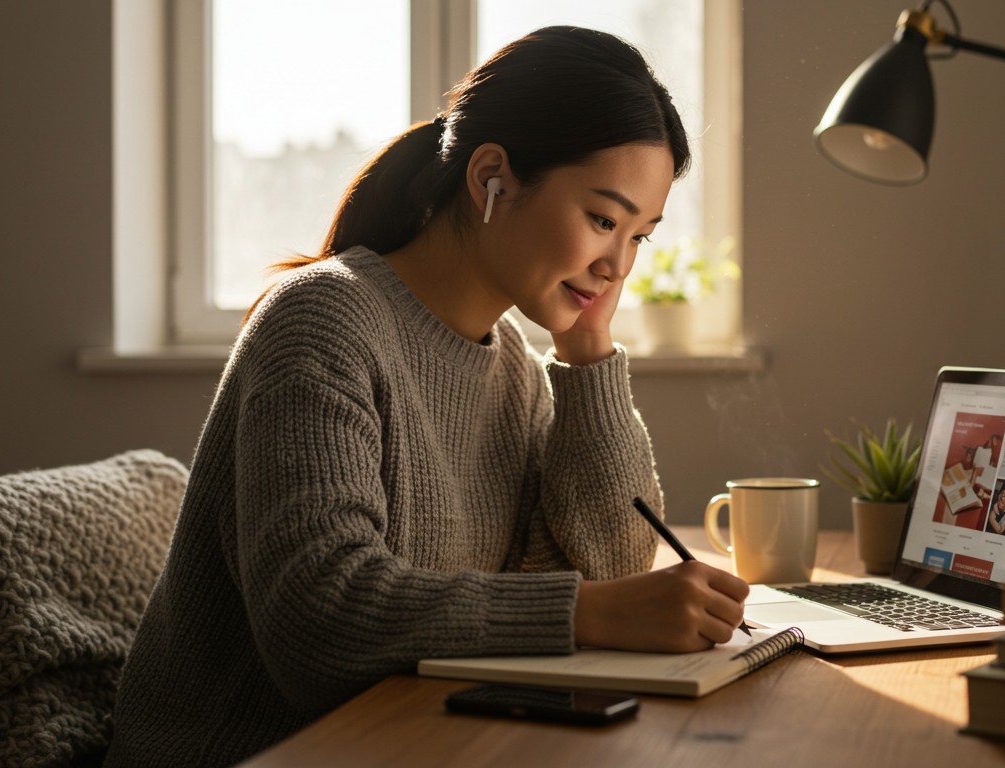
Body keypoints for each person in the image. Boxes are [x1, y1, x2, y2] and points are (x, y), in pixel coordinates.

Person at [106, 27, 749, 767]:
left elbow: (609, 563)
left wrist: (589, 351)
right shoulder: (321, 321)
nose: (618, 266)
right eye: (603, 220)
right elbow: (322, 620)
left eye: (641, 236)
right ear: (490, 180)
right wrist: (594, 612)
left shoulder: (512, 364)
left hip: (411, 742)